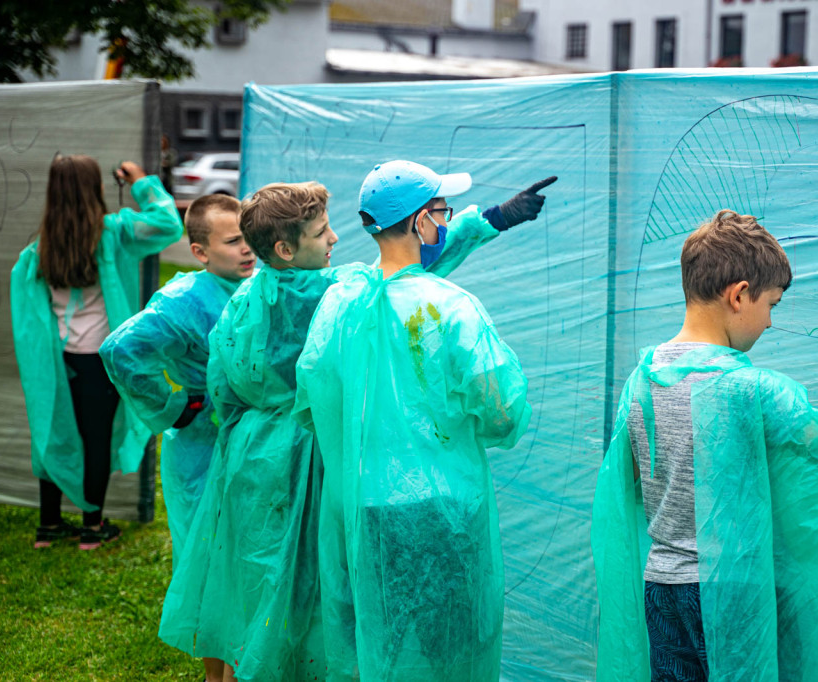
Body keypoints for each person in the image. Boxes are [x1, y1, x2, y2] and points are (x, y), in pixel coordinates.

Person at [160, 169, 549, 682]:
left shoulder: (247, 302)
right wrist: (488, 222)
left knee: (260, 587)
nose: (334, 239)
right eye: (321, 233)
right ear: (284, 247)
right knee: (325, 600)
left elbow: (222, 387)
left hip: (253, 465)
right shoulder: (340, 294)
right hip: (322, 463)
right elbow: (407, 279)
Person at [591, 209, 818, 682]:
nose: (771, 322)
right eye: (771, 305)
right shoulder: (755, 391)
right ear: (738, 295)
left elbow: (633, 485)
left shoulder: (640, 382)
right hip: (730, 593)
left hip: (661, 588)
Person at [293, 160, 536, 682]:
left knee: (379, 643)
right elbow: (502, 413)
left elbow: (314, 399)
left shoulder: (340, 301)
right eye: (442, 212)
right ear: (423, 220)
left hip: (366, 505)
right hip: (441, 510)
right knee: (450, 652)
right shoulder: (453, 308)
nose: (444, 222)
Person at [101, 193, 251, 682]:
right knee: (210, 565)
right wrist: (177, 407)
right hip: (201, 457)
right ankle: (216, 674)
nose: (247, 249)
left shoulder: (260, 286)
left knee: (249, 563)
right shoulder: (184, 300)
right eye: (233, 241)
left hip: (249, 454)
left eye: (250, 237)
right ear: (200, 252)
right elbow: (123, 350)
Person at [11, 154, 181, 550]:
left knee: (55, 433)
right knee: (96, 438)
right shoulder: (116, 233)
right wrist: (141, 181)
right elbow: (169, 223)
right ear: (97, 189)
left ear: (53, 193)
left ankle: (49, 525)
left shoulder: (40, 248)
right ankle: (92, 526)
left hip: (56, 362)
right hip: (98, 359)